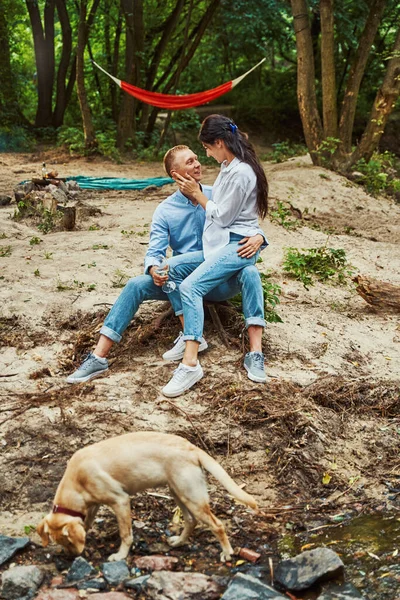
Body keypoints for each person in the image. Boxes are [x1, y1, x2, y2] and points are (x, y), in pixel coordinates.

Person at [66, 144, 266, 384]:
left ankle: (255, 353)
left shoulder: (216, 196)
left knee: (250, 271)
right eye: (190, 162)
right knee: (137, 284)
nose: (198, 164)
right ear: (176, 175)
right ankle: (99, 357)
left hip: (219, 280)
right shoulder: (165, 210)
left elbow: (245, 223)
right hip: (178, 281)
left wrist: (259, 236)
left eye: (196, 158)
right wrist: (152, 268)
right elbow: (155, 251)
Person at [161, 115, 269, 398]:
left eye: (207, 148)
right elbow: (238, 212)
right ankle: (190, 334)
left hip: (236, 246)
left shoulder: (242, 172)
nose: (205, 156)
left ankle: (191, 362)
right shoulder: (227, 166)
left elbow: (223, 215)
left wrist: (197, 195)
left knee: (191, 286)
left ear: (219, 142)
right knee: (170, 268)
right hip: (221, 246)